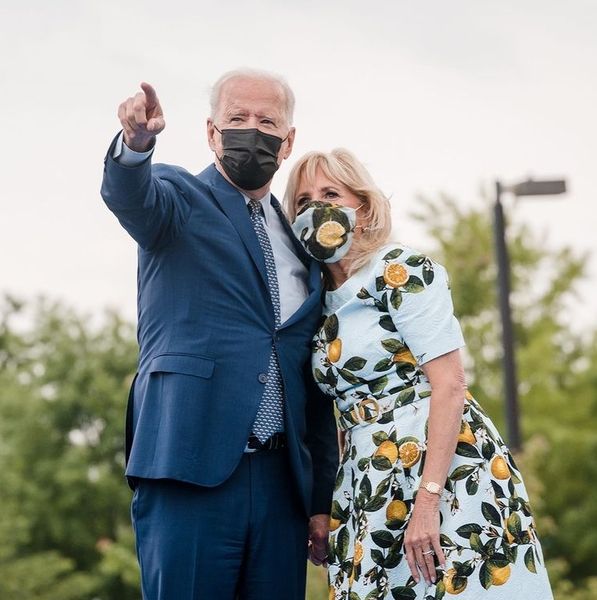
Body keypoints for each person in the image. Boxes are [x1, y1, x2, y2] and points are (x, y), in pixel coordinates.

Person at [100, 69, 338, 600]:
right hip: (189, 466)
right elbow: (130, 195)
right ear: (212, 132)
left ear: (288, 141)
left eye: (267, 121)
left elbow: (315, 377)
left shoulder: (304, 246)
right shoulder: (178, 200)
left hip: (282, 488)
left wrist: (319, 498)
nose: (252, 129)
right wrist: (135, 146)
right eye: (237, 118)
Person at [284, 149, 554, 599]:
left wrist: (428, 501)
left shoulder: (400, 270)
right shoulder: (317, 301)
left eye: (330, 194)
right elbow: (340, 412)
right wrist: (330, 505)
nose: (317, 208)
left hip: (440, 470)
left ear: (362, 207)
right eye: (303, 201)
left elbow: (450, 384)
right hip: (367, 478)